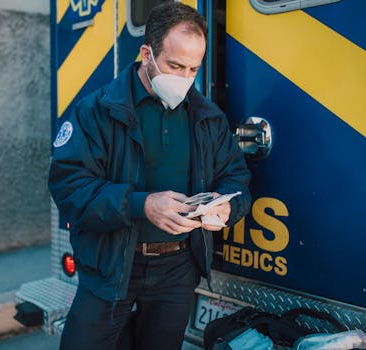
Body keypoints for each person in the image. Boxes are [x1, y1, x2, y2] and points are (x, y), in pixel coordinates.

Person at [48, 2, 251, 349]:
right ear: (147, 53)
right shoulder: (96, 111)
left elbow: (236, 180)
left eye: (193, 69)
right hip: (109, 267)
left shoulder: (208, 117)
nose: (184, 79)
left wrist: (226, 209)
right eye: (175, 66)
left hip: (176, 269)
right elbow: (70, 188)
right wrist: (142, 205)